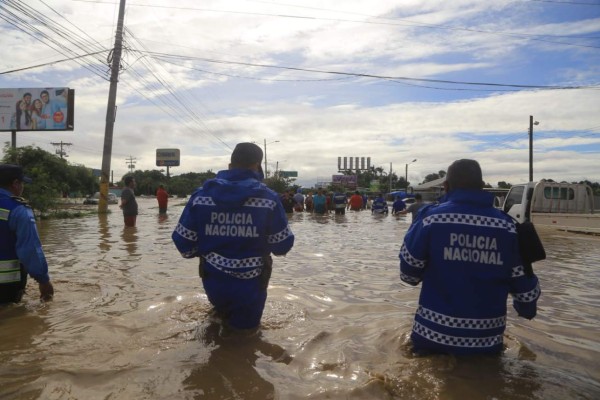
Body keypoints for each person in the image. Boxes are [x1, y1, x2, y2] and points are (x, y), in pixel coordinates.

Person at [399, 159, 541, 355]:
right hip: (486, 344)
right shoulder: (509, 227)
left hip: (431, 337)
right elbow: (526, 296)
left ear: (446, 186)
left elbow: (408, 275)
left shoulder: (430, 219)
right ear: (483, 187)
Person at [172, 143, 294, 330]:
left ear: (230, 165)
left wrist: (209, 249)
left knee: (215, 327)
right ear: (256, 166)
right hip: (251, 285)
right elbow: (282, 245)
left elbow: (183, 243)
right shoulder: (268, 198)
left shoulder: (201, 195)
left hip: (213, 281)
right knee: (246, 341)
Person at [0, 164, 54, 304]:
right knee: (12, 322)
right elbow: (30, 249)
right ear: (15, 183)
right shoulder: (18, 210)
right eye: (22, 182)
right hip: (6, 285)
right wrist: (44, 281)